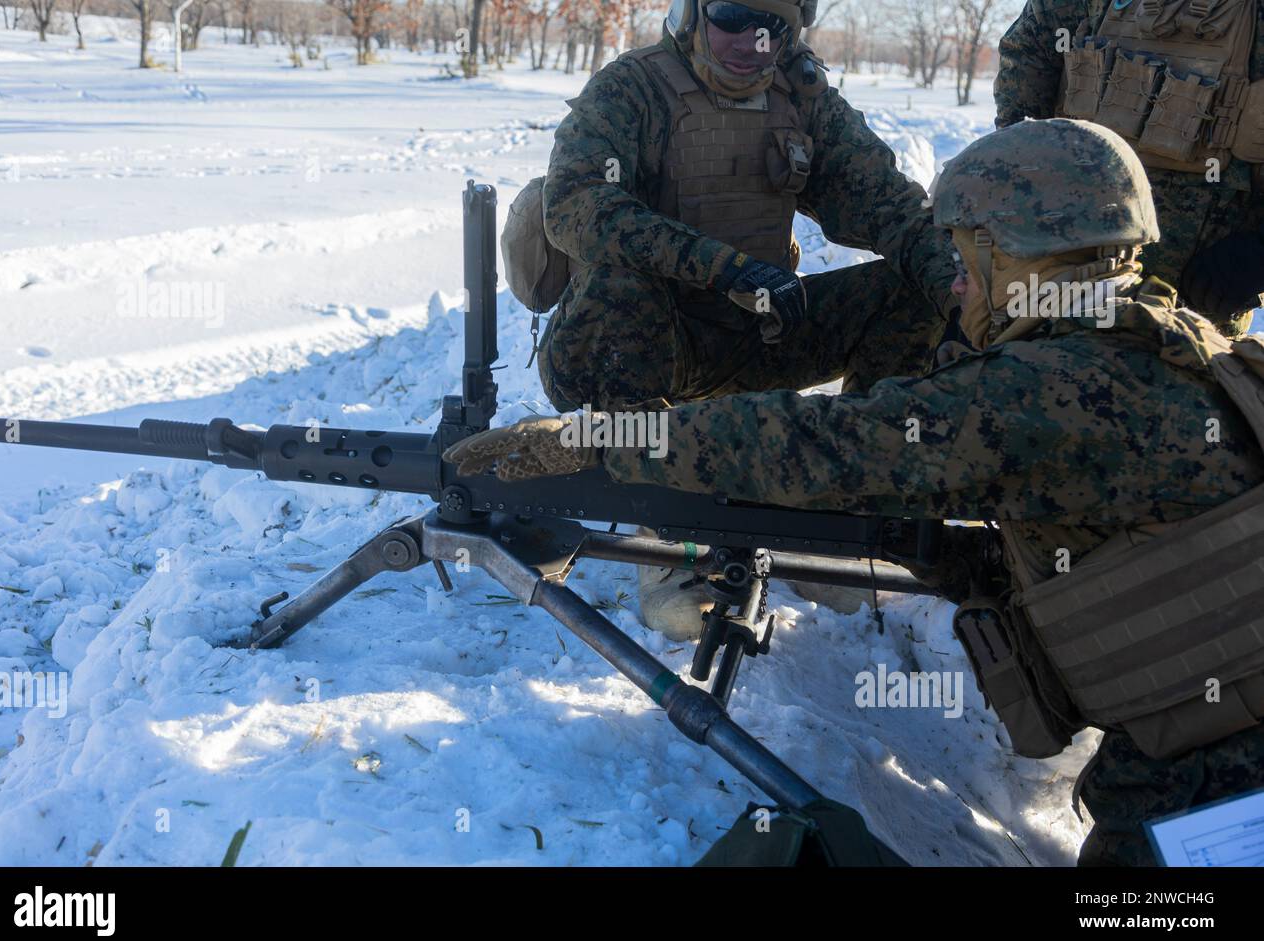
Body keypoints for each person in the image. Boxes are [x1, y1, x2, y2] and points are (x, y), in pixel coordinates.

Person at [447, 118, 1264, 865]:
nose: (955, 287)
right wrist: (959, 559)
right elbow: (1132, 552)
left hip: (1223, 789)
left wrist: (599, 437)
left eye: (966, 257)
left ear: (1016, 254)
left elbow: (817, 446)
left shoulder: (1048, 389)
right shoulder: (1177, 345)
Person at [535, 0, 960, 415]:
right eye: (731, 19)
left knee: (913, 288)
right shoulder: (631, 88)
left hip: (762, 335)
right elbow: (575, 205)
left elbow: (886, 203)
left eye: (769, 27)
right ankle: (626, 462)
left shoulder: (800, 97)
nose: (748, 42)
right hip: (650, 339)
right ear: (690, 13)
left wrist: (962, 294)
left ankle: (864, 454)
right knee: (615, 288)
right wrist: (723, 267)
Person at [995, 0, 1264, 337]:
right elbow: (1028, 54)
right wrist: (1025, 178)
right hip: (1068, 280)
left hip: (1196, 310)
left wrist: (1258, 251)